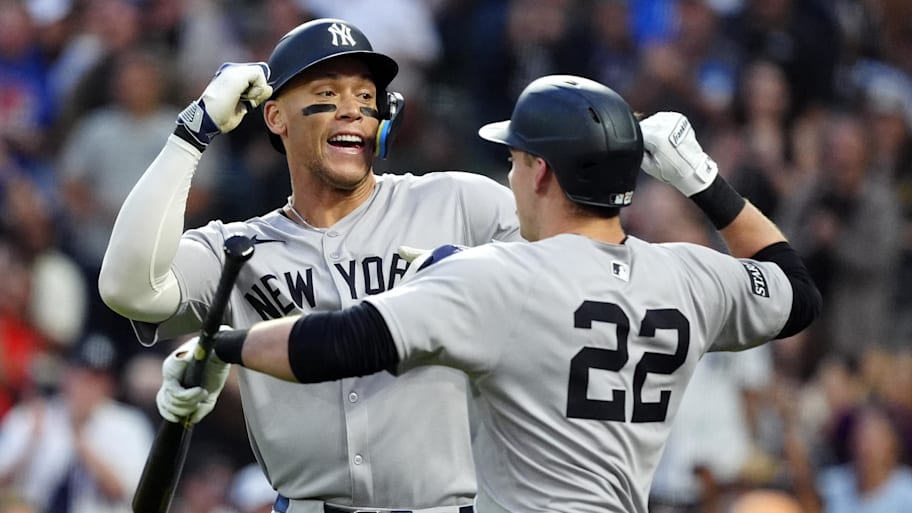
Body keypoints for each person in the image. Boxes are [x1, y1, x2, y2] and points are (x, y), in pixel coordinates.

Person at [202, 76, 823, 513]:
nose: (509, 172)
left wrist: (221, 344)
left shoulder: (500, 277)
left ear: (543, 172)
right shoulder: (689, 274)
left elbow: (338, 342)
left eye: (516, 158)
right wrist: (704, 181)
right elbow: (797, 291)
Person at [98, 18, 522, 513]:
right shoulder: (238, 247)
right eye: (327, 92)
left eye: (366, 97)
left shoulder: (459, 203)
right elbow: (128, 288)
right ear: (276, 116)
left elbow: (573, 273)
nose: (352, 111)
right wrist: (191, 134)